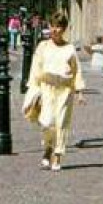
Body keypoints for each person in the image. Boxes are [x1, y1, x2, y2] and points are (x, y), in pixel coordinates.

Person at [25, 11, 85, 171]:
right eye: (53, 26)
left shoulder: (70, 49)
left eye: (59, 27)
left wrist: (79, 91)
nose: (55, 30)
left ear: (64, 29)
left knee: (61, 122)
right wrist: (33, 89)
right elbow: (35, 68)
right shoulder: (43, 47)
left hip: (64, 90)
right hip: (46, 88)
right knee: (46, 122)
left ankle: (57, 154)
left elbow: (76, 70)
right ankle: (47, 148)